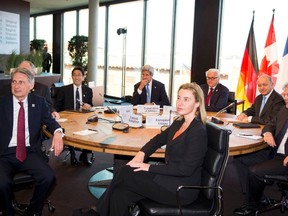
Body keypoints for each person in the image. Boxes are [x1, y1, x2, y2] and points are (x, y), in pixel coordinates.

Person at [73, 82, 208, 216]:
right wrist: (141, 154)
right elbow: (157, 140)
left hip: (181, 189)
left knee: (125, 172)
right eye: (178, 97)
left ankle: (96, 210)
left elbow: (184, 169)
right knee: (121, 193)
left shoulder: (197, 131)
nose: (180, 103)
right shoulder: (179, 122)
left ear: (197, 103)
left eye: (186, 99)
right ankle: (97, 211)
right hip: (168, 178)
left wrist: (147, 167)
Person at [0, 67, 64, 216]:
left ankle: (33, 210)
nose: (16, 86)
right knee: (2, 183)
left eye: (21, 82)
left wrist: (58, 133)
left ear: (31, 85)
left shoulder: (39, 102)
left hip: (29, 152)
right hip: (4, 153)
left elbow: (51, 122)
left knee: (48, 177)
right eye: (14, 82)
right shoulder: (2, 103)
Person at [233, 83, 288, 216]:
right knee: (240, 159)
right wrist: (267, 133)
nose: (283, 96)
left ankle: (251, 205)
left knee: (254, 171)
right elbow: (271, 124)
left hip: (285, 158)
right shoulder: (284, 110)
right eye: (284, 93)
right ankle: (256, 196)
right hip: (275, 151)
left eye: (287, 94)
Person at [55, 66, 93, 166]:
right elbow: (57, 107)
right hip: (68, 119)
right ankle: (73, 155)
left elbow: (91, 105)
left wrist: (89, 106)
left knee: (90, 131)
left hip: (83, 119)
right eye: (74, 75)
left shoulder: (88, 90)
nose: (76, 77)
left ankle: (84, 155)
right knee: (70, 131)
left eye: (79, 75)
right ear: (72, 77)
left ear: (83, 77)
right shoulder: (64, 90)